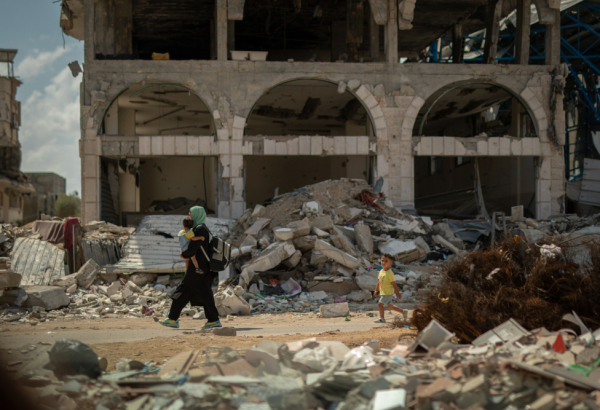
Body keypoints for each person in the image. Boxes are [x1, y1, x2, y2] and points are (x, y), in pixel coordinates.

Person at [159, 206, 221, 329]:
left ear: (197, 215)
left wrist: (183, 254)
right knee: (203, 292)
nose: (189, 216)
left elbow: (193, 247)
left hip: (198, 268)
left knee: (184, 290)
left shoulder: (200, 229)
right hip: (202, 267)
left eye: (191, 214)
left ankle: (172, 319)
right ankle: (213, 320)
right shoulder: (201, 229)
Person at [373, 253, 403, 323]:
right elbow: (379, 282)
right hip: (383, 292)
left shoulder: (389, 273)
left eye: (386, 261)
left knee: (380, 304)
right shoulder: (381, 271)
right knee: (390, 306)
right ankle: (403, 311)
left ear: (391, 263)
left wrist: (398, 293)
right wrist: (376, 290)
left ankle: (382, 318)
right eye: (382, 260)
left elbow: (394, 284)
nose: (383, 262)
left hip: (388, 293)